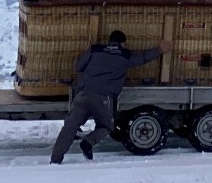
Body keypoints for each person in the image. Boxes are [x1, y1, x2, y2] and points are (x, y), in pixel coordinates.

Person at [50, 30, 160, 164]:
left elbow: (78, 67)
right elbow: (143, 58)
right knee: (106, 126)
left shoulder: (94, 50)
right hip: (102, 99)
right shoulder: (124, 55)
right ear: (123, 43)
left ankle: (55, 160)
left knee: (69, 129)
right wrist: (160, 49)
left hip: (83, 95)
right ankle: (88, 142)